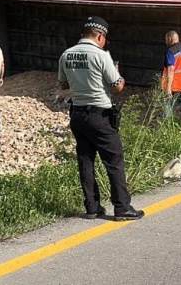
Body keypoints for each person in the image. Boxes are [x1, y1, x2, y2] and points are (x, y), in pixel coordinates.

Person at [58, 16, 144, 221]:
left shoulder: (66, 55)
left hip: (77, 114)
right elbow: (118, 86)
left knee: (86, 161)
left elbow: (63, 85)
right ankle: (122, 208)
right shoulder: (101, 55)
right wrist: (117, 73)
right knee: (114, 160)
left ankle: (92, 208)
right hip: (100, 116)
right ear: (99, 36)